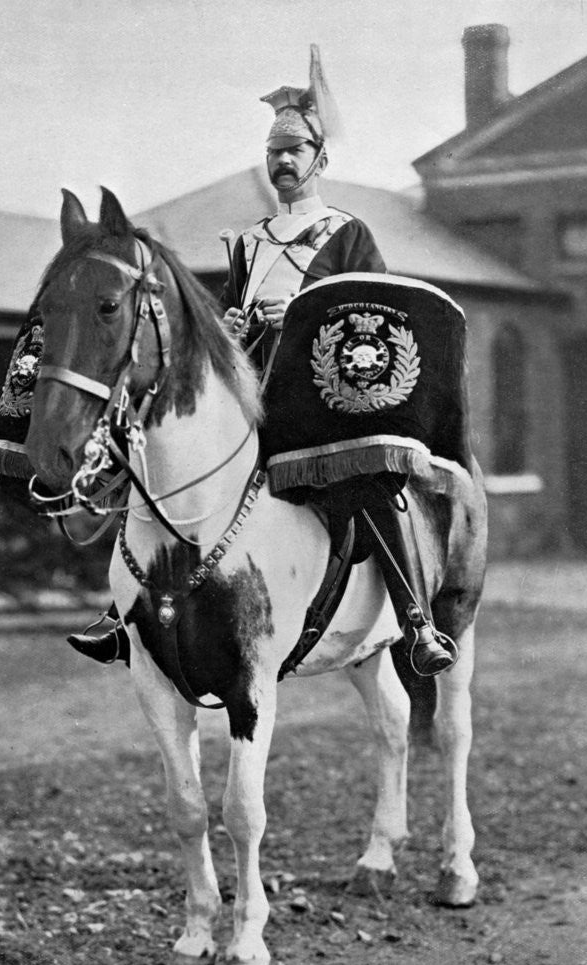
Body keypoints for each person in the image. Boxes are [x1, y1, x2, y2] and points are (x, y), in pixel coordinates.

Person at [72, 46, 455, 676]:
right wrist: (229, 323)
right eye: (274, 152)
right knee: (157, 462)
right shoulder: (248, 240)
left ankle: (416, 621)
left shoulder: (347, 231)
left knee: (370, 485)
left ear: (320, 159)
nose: (281, 162)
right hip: (250, 387)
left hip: (323, 392)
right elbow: (225, 312)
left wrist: (302, 316)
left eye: (295, 151)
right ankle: (126, 614)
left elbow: (377, 318)